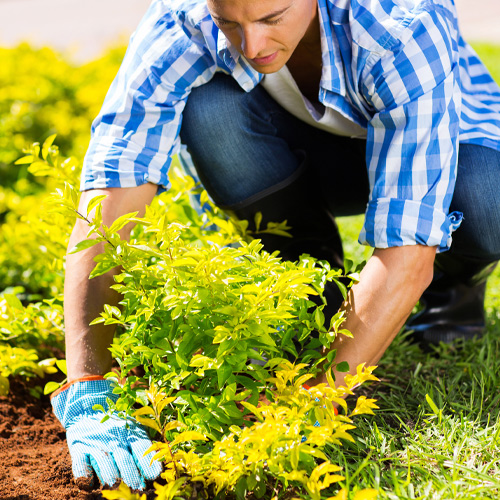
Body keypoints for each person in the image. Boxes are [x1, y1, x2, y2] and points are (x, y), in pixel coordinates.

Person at [50, 0, 500, 490]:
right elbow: (111, 199)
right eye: (229, 24)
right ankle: (306, 290)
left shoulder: (401, 23)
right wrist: (91, 386)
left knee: (485, 201)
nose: (251, 46)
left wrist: (311, 405)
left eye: (270, 18)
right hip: (303, 148)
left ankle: (450, 295)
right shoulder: (183, 19)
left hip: (454, 150)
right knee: (211, 107)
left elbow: (407, 249)